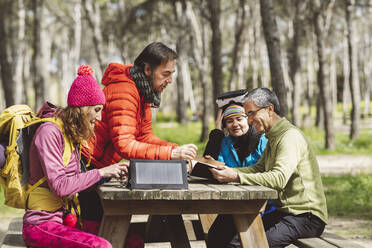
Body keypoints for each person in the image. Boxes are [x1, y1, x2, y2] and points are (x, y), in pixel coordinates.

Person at [79, 42, 197, 235]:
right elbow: (124, 143)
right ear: (148, 69)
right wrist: (171, 153)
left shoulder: (141, 91)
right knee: (101, 231)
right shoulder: (124, 91)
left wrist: (175, 148)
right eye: (165, 74)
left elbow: (145, 136)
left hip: (100, 166)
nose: (170, 81)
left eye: (171, 75)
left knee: (113, 231)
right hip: (86, 167)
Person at [22, 65, 128, 248]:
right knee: (101, 246)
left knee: (131, 240)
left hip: (66, 218)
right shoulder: (49, 132)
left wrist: (111, 174)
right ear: (82, 108)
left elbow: (75, 179)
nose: (100, 117)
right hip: (41, 225)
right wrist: (101, 173)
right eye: (96, 110)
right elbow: (60, 187)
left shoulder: (70, 134)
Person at [206, 88, 328, 248]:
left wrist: (235, 176)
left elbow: (278, 179)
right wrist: (229, 172)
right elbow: (258, 168)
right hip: (285, 213)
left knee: (245, 244)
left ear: (269, 109)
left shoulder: (289, 136)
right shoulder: (273, 137)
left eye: (250, 113)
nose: (249, 121)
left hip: (306, 217)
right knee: (222, 234)